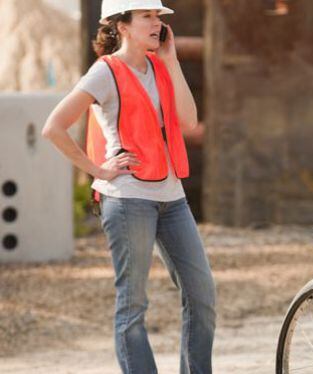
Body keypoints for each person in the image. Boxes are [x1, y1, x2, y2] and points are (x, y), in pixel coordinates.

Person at [42, 1, 216, 373]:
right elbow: (53, 127)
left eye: (158, 17)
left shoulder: (160, 65)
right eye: (147, 17)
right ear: (122, 25)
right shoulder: (104, 73)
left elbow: (189, 119)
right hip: (127, 200)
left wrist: (171, 61)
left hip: (173, 198)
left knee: (202, 296)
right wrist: (97, 170)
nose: (157, 24)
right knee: (133, 306)